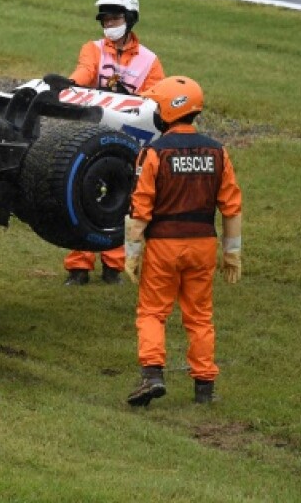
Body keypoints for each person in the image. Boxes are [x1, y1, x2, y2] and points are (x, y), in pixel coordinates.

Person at [123, 76, 243, 406]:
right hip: (204, 245)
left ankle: (152, 375)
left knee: (151, 313)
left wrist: (131, 253)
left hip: (163, 245)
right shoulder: (218, 151)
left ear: (169, 110)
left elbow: (139, 208)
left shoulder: (153, 152)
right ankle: (204, 388)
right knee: (200, 317)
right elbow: (232, 207)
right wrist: (232, 253)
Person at [63, 0, 166, 286]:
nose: (109, 25)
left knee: (124, 203)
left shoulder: (150, 60)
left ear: (130, 19)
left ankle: (114, 266)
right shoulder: (92, 49)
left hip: (128, 145)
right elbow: (84, 72)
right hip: (92, 140)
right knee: (81, 195)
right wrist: (70, 84)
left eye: (115, 18)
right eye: (105, 20)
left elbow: (155, 97)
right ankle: (78, 268)